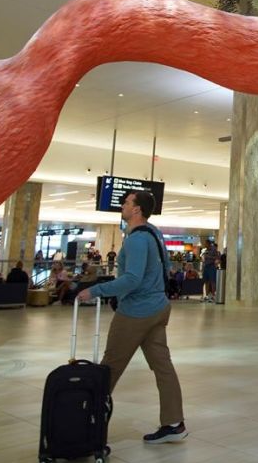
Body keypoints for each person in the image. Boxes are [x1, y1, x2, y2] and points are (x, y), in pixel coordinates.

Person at [78, 189, 186, 444]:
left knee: (110, 366)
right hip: (158, 308)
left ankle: (86, 422)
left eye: (126, 203)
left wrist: (94, 290)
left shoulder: (137, 240)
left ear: (137, 209)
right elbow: (164, 268)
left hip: (136, 312)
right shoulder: (155, 233)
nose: (122, 206)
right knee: (163, 366)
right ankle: (173, 423)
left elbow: (132, 280)